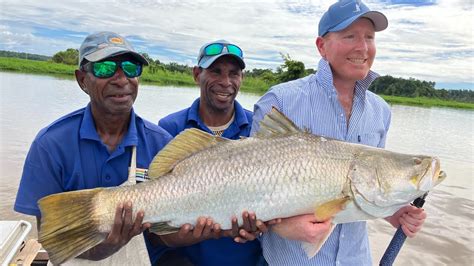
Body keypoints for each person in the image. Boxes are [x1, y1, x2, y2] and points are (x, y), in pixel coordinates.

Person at [251, 1, 427, 265]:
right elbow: (250, 188)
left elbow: (366, 190)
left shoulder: (381, 111)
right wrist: (281, 225)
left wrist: (394, 212)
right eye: (350, 36)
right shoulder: (281, 100)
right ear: (322, 46)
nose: (362, 47)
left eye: (369, 37)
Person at [14, 31, 172, 263]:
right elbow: (52, 239)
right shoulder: (51, 144)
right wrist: (103, 248)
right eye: (105, 68)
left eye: (130, 68)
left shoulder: (162, 143)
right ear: (81, 79)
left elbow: (162, 235)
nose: (121, 79)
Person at [147, 40, 266, 265]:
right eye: (215, 71)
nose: (225, 82)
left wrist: (260, 229)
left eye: (234, 73)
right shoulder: (169, 127)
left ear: (242, 79)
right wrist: (183, 235)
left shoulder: (257, 127)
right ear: (196, 74)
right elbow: (156, 233)